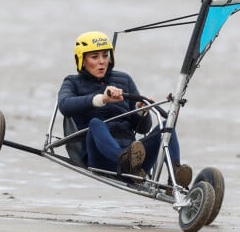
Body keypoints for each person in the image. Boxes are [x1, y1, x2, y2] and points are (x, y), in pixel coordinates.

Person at [58, 31, 192, 187]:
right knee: (95, 123)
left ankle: (175, 177)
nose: (101, 61)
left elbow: (143, 128)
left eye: (105, 55)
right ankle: (123, 160)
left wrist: (141, 110)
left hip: (135, 162)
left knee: (167, 127)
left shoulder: (124, 79)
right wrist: (102, 99)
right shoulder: (72, 82)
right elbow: (64, 105)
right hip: (101, 160)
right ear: (81, 59)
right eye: (94, 57)